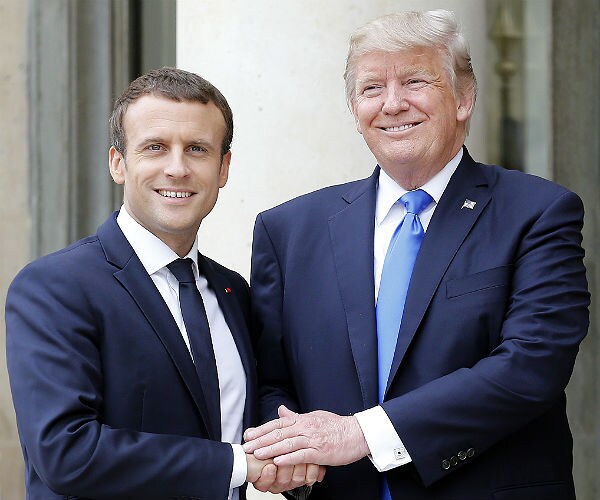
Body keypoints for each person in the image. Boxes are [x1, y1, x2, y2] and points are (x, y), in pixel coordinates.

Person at [243, 10, 590, 500]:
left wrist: (362, 434)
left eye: (415, 80)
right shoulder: (288, 229)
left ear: (464, 97)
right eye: (371, 88)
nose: (393, 104)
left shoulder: (537, 212)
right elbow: (271, 379)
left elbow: (532, 365)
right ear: (352, 107)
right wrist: (289, 451)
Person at [6, 67, 278, 500]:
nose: (177, 168)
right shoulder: (54, 288)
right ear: (118, 163)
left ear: (223, 168)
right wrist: (237, 464)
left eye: (197, 149)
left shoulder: (233, 292)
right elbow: (66, 452)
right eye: (155, 147)